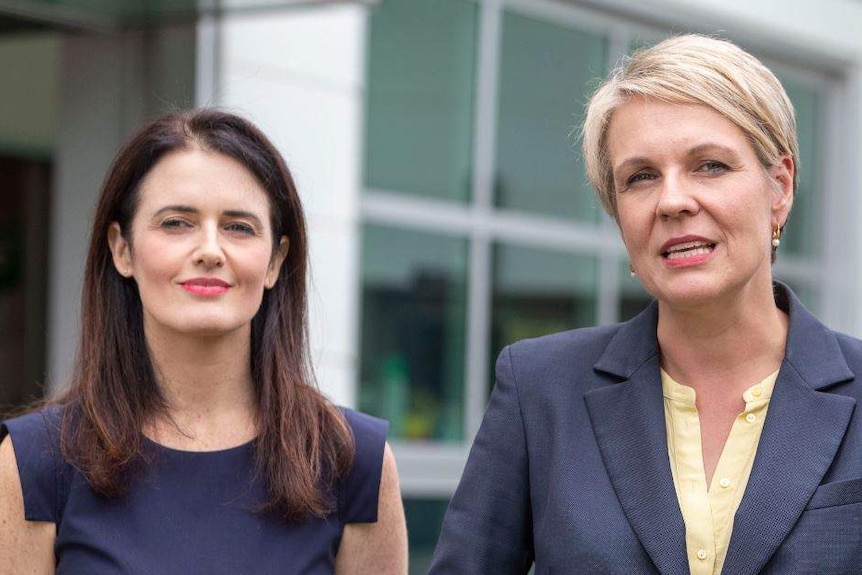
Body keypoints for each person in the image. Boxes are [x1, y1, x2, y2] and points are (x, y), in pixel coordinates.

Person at [429, 34, 862, 574]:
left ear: (779, 186)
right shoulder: (539, 390)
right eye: (641, 177)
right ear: (617, 214)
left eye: (709, 166)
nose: (673, 201)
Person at [0, 109, 408, 574]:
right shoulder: (37, 463)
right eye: (176, 223)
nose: (210, 250)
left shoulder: (351, 462)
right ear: (121, 249)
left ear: (276, 260)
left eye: (239, 227)